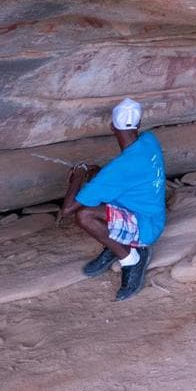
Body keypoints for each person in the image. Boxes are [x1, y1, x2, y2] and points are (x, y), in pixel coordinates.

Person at [60, 97, 166, 301]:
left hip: (146, 228)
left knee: (84, 215)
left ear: (111, 127)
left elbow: (68, 209)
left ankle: (131, 258)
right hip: (151, 213)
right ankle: (115, 244)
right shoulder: (149, 140)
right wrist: (98, 175)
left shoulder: (117, 170)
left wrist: (78, 176)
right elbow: (128, 173)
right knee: (97, 196)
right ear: (139, 125)